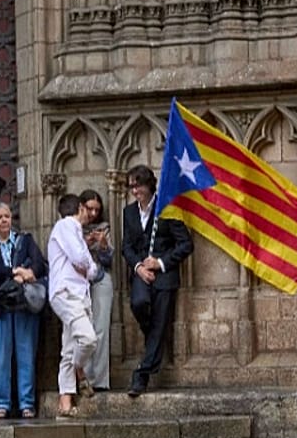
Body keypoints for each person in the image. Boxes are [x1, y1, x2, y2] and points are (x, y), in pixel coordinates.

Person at [120, 165, 194, 397]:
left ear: (150, 185)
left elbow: (185, 244)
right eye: (131, 186)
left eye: (138, 185)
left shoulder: (167, 209)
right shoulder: (129, 213)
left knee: (161, 322)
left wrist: (160, 263)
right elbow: (127, 247)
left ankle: (141, 375)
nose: (135, 191)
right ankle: (153, 338)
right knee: (139, 304)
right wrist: (139, 267)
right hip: (141, 275)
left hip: (164, 277)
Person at [0, 202, 47, 419]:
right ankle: (2, 403)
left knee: (26, 354)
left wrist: (27, 273)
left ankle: (26, 403)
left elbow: (39, 264)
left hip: (23, 306)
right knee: (0, 358)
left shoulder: (24, 240)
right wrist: (15, 272)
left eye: (7, 216)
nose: (4, 220)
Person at [47, 193, 102, 417]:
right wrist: (87, 266)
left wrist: (87, 267)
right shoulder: (66, 225)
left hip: (79, 294)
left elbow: (93, 270)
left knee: (69, 348)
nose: (89, 214)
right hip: (67, 293)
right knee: (87, 339)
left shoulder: (75, 232)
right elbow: (81, 259)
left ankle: (65, 402)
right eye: (86, 209)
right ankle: (79, 370)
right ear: (79, 208)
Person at [79, 189, 113, 391]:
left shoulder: (105, 228)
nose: (93, 214)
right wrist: (84, 243)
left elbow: (109, 261)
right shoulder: (72, 227)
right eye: (89, 209)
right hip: (79, 281)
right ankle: (82, 378)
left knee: (100, 329)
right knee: (83, 331)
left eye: (96, 210)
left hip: (100, 279)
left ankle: (99, 380)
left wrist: (102, 246)